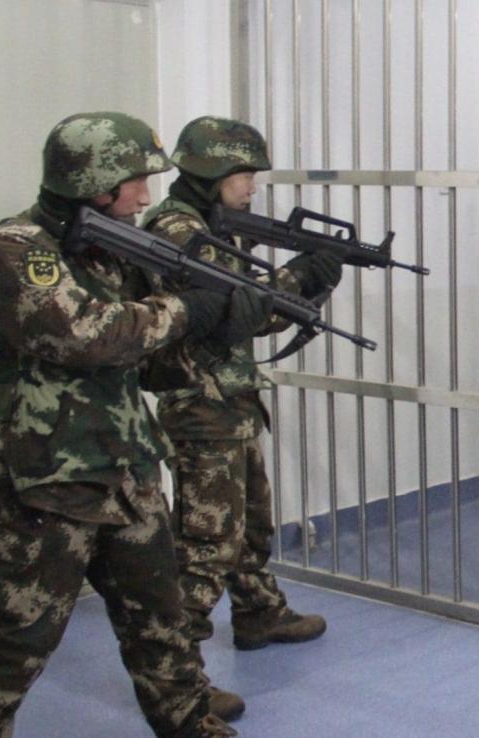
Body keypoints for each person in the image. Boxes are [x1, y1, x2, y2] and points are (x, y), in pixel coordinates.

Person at [0, 113, 267, 738]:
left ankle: (186, 730)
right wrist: (186, 309)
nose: (146, 195)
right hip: (49, 477)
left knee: (160, 616)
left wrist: (228, 312)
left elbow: (148, 362)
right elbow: (89, 335)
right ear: (93, 180)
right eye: (135, 180)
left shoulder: (110, 247)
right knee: (14, 637)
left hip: (125, 464)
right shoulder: (18, 249)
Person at [142, 117, 342, 689]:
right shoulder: (179, 230)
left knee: (251, 520)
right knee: (207, 542)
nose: (253, 186)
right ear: (214, 171)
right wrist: (300, 277)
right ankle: (175, 679)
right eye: (246, 174)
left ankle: (258, 611)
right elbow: (243, 315)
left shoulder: (215, 224)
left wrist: (305, 278)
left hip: (228, 396)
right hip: (199, 402)